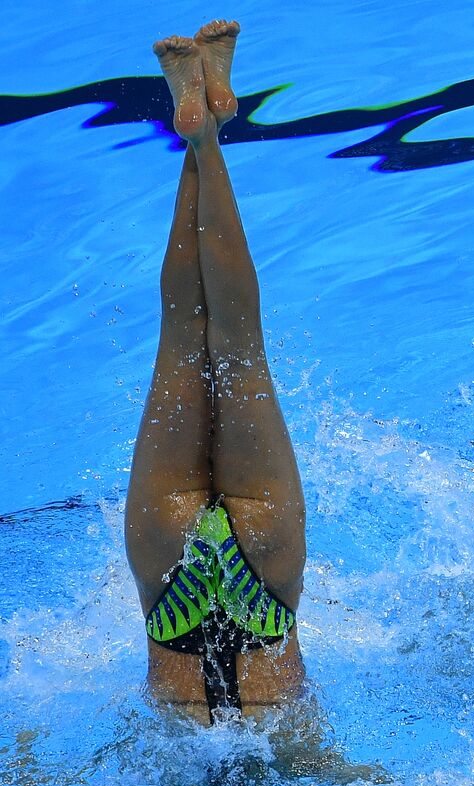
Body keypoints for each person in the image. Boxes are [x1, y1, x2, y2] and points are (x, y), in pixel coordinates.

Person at [125, 20, 306, 726]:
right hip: (185, 592)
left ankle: (204, 132)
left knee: (222, 345)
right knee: (205, 340)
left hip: (246, 600)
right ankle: (199, 129)